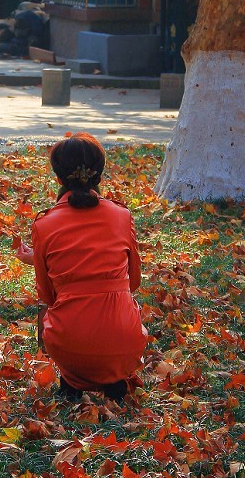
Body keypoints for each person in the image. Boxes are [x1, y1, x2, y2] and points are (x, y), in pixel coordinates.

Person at [14, 132, 147, 401]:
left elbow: (47, 295)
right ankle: (114, 377)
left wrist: (38, 259)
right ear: (100, 175)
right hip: (124, 341)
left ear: (59, 179)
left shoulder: (44, 224)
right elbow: (133, 282)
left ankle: (73, 378)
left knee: (49, 313)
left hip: (69, 342)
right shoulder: (122, 216)